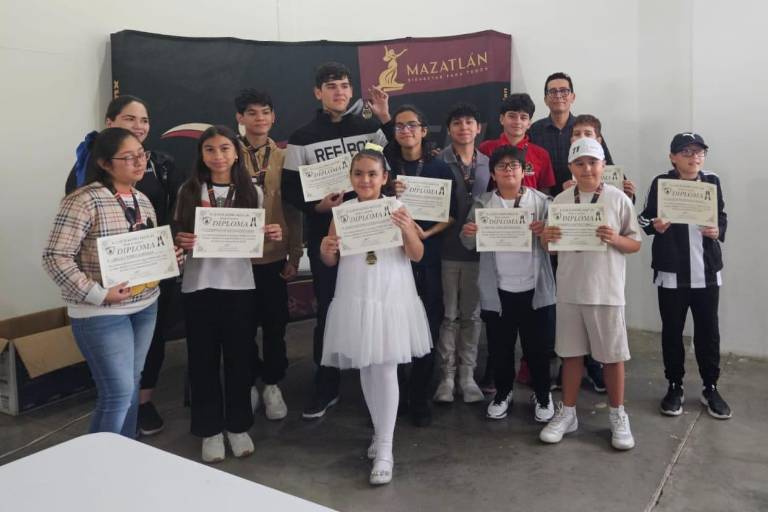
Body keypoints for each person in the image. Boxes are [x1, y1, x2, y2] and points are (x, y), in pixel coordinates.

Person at [44, 127, 181, 437]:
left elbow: (146, 252)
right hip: (101, 313)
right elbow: (55, 257)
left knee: (131, 385)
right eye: (129, 157)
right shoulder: (83, 200)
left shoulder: (142, 199)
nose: (139, 162)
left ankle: (125, 451)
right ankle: (100, 461)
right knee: (117, 393)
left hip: (145, 306)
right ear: (105, 163)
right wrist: (98, 293)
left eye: (142, 155)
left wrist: (169, 258)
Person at [281, 62, 391, 420]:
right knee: (329, 308)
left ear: (351, 90)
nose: (339, 92)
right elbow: (290, 188)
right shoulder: (302, 136)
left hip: (373, 232)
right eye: (331, 87)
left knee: (376, 305)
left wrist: (385, 119)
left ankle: (380, 384)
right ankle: (326, 384)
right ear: (318, 92)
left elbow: (394, 163)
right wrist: (317, 206)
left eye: (344, 86)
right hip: (327, 233)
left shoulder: (369, 129)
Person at [320, 147, 431, 485]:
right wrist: (326, 250)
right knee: (367, 367)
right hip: (356, 294)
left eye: (372, 174)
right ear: (350, 178)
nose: (365, 180)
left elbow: (417, 254)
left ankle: (385, 447)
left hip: (389, 294)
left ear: (384, 178)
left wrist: (407, 229)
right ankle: (380, 431)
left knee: (385, 368)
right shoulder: (342, 212)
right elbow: (331, 259)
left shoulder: (397, 208)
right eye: (359, 174)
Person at [174, 125, 282, 462]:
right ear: (201, 155)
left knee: (239, 359)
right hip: (199, 286)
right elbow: (178, 235)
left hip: (239, 287)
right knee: (202, 361)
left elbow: (253, 241)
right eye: (210, 149)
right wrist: (181, 240)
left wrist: (269, 234)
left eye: (224, 149)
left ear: (236, 154)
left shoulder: (252, 192)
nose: (218, 156)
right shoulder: (189, 190)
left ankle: (238, 426)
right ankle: (209, 430)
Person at [539, 137, 641, 450]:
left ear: (603, 165)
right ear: (571, 166)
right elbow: (550, 247)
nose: (587, 169)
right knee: (570, 355)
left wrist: (615, 239)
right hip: (570, 290)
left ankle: (617, 414)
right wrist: (546, 237)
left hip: (606, 291)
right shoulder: (560, 201)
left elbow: (634, 243)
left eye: (593, 162)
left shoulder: (618, 199)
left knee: (612, 357)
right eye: (580, 163)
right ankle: (568, 413)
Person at [638, 133, 731, 419]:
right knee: (672, 331)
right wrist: (655, 225)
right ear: (673, 157)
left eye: (699, 152)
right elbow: (643, 218)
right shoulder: (661, 183)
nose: (694, 157)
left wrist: (718, 230)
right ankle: (674, 385)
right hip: (671, 272)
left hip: (706, 271)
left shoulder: (712, 181)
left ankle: (710, 387)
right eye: (686, 152)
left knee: (708, 332)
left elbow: (721, 215)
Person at [460, 146, 556, 422]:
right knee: (500, 349)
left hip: (535, 290)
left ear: (524, 171)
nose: (508, 170)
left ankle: (543, 394)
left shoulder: (542, 202)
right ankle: (503, 393)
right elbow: (467, 243)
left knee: (538, 349)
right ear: (493, 174)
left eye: (514, 165)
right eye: (502, 166)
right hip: (498, 292)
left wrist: (545, 234)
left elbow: (555, 246)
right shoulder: (483, 204)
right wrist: (469, 233)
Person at [384, 105, 457, 426]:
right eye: (400, 126)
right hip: (391, 260)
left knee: (427, 325)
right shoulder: (385, 167)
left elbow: (451, 215)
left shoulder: (440, 168)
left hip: (428, 257)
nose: (406, 131)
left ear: (424, 131)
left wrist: (424, 234)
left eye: (412, 125)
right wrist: (388, 191)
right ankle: (395, 393)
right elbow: (368, 202)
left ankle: (420, 395)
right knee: (394, 325)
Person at [235, 89, 303, 420]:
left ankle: (273, 383)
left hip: (274, 257)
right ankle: (248, 381)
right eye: (252, 112)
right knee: (242, 326)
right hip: (237, 260)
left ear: (273, 117)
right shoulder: (227, 154)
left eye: (265, 112)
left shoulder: (285, 157)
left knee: (276, 325)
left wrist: (294, 254)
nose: (259, 118)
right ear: (240, 118)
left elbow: (293, 209)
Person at [433, 103, 491, 404]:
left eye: (470, 122)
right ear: (449, 129)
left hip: (478, 254)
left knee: (472, 316)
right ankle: (446, 377)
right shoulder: (437, 162)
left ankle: (467, 377)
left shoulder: (490, 164)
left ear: (478, 128)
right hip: (445, 252)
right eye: (457, 123)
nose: (464, 127)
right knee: (448, 316)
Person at [528, 72, 614, 195]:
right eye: (552, 91)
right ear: (546, 100)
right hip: (545, 199)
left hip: (585, 199)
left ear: (573, 97)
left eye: (564, 91)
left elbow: (607, 167)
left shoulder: (586, 130)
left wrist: (624, 189)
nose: (558, 95)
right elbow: (530, 172)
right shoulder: (534, 131)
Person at [478, 93, 556, 194]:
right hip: (495, 203)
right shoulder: (486, 149)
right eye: (512, 116)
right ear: (501, 119)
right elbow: (481, 186)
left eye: (523, 118)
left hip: (532, 204)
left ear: (529, 123)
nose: (517, 122)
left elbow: (544, 191)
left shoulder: (541, 154)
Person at [562, 114, 636, 200]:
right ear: (571, 140)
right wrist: (565, 193)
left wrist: (628, 195)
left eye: (588, 134)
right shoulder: (564, 169)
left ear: (598, 141)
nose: (582, 138)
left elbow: (624, 201)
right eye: (577, 134)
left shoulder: (612, 168)